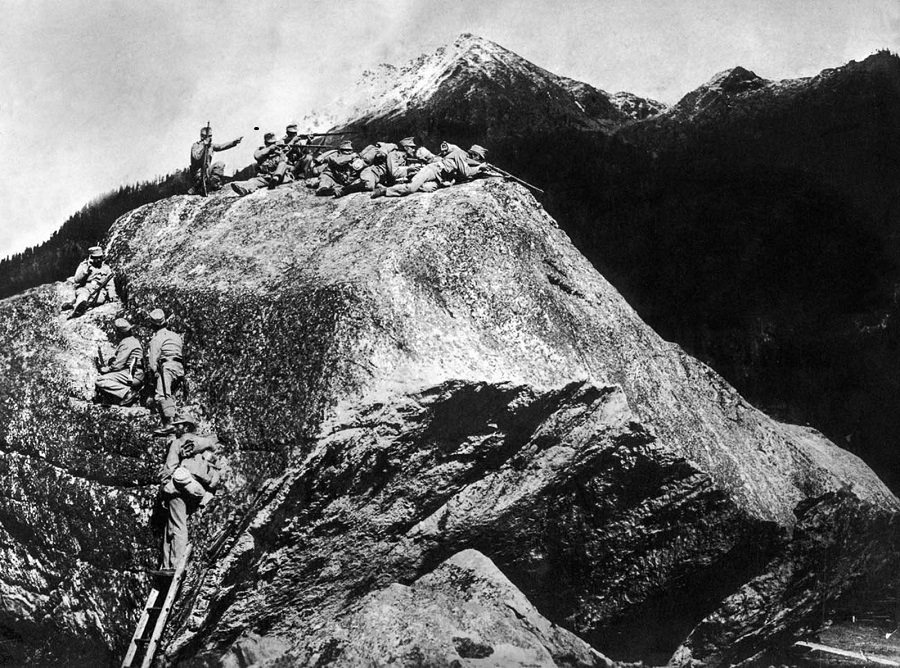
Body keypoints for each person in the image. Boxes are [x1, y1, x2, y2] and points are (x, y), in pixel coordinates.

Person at [158, 411, 223, 571]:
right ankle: (168, 564)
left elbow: (170, 468)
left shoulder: (178, 443)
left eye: (178, 425)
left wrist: (164, 487)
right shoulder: (202, 442)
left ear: (186, 426)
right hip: (194, 491)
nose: (176, 428)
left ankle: (174, 565)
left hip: (178, 490)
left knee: (176, 526)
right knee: (173, 525)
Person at [373, 144, 489, 198]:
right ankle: (385, 190)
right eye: (479, 157)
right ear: (474, 154)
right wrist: (479, 168)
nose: (478, 160)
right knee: (411, 188)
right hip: (432, 170)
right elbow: (466, 172)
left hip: (439, 177)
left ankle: (403, 183)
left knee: (429, 188)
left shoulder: (464, 157)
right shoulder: (460, 154)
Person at [148, 308, 186, 437]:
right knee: (171, 395)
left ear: (152, 324)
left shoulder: (157, 338)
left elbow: (153, 361)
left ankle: (169, 423)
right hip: (179, 367)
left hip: (167, 367)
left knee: (162, 395)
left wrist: (154, 372)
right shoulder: (176, 336)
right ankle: (177, 421)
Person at [94, 318, 143, 406]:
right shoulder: (133, 340)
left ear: (120, 332)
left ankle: (128, 393)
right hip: (135, 373)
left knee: (100, 380)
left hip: (132, 374)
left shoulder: (127, 342)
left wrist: (105, 369)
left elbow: (118, 365)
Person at [189, 125, 243, 195]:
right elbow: (196, 157)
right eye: (208, 136)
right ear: (202, 137)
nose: (210, 138)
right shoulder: (196, 145)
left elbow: (221, 146)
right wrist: (203, 147)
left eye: (211, 136)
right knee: (199, 182)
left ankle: (213, 184)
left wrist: (233, 142)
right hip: (198, 173)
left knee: (220, 164)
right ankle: (198, 186)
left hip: (207, 171)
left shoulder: (211, 146)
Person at [65, 247, 117, 318]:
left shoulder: (106, 268)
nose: (98, 260)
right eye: (95, 258)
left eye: (100, 257)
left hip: (99, 290)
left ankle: (75, 305)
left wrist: (112, 296)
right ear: (91, 257)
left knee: (99, 300)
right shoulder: (84, 265)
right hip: (85, 288)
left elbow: (110, 284)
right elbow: (76, 279)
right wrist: (85, 272)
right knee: (83, 296)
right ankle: (77, 310)